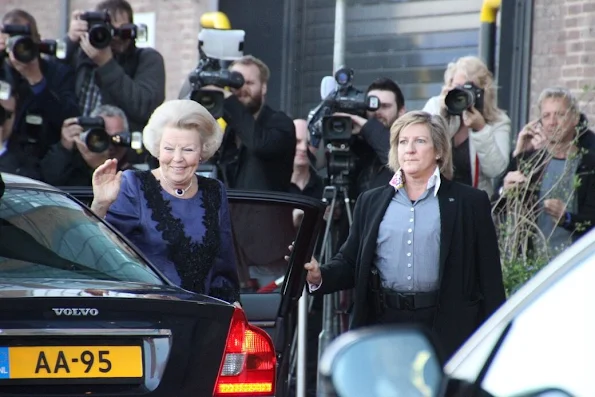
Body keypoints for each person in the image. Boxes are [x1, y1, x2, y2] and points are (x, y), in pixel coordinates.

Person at [294, 111, 506, 359]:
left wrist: (497, 339)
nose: (410, 149)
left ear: (438, 150)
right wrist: (319, 275)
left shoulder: (470, 202)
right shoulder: (371, 201)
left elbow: (490, 278)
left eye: (420, 141)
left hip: (447, 326)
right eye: (403, 142)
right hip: (385, 323)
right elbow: (350, 262)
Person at [90, 99, 240, 305]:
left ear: (202, 152)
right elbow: (105, 252)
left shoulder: (214, 191)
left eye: (188, 150)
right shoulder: (134, 184)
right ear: (157, 148)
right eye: (169, 148)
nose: (177, 158)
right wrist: (100, 205)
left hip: (204, 317)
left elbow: (224, 265)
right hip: (148, 315)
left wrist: (231, 307)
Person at [0, 9, 79, 180]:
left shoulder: (58, 72)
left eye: (25, 41)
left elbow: (69, 119)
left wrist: (37, 80)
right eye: (13, 41)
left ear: (37, 40)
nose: (19, 48)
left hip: (47, 160)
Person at [423, 56, 511, 197]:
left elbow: (496, 170)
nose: (461, 94)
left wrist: (481, 129)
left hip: (473, 206)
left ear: (483, 91)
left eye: (468, 88)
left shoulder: (497, 121)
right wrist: (443, 114)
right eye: (457, 87)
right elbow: (422, 147)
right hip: (434, 200)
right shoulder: (435, 106)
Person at [41, 104, 132, 186]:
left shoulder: (132, 177)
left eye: (116, 138)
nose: (109, 146)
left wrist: (100, 167)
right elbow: (47, 182)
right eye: (101, 138)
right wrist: (64, 148)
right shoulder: (71, 167)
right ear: (87, 134)